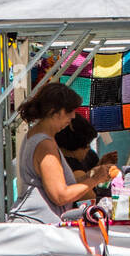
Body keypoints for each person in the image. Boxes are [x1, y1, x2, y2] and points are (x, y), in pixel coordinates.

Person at [12, 83, 108, 224]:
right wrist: (94, 180)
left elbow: (60, 184)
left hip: (38, 224)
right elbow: (60, 195)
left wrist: (91, 175)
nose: (73, 116)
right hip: (36, 225)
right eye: (69, 111)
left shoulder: (38, 136)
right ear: (53, 112)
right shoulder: (45, 145)